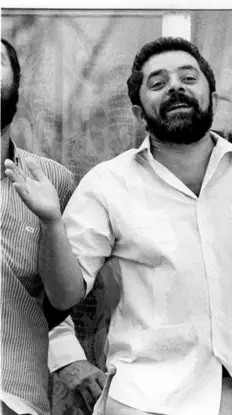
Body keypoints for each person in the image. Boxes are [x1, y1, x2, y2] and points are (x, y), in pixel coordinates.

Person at [4, 37, 232, 415]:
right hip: (143, 402)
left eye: (187, 77)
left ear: (211, 98)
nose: (175, 87)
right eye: (158, 83)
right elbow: (65, 295)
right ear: (138, 112)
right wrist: (51, 221)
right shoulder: (107, 184)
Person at [0, 38, 99, 415]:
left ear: (17, 90)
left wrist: (70, 358)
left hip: (16, 398)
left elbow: (65, 295)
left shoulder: (52, 182)